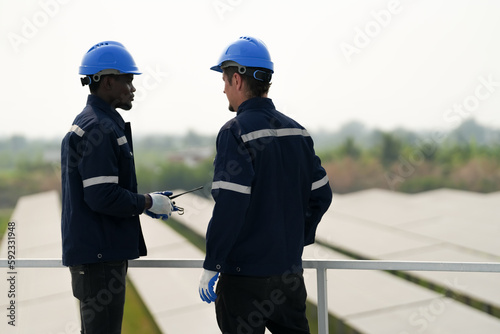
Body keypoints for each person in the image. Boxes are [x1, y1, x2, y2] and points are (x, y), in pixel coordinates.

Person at [198, 36, 333, 334]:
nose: (222, 87)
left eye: (223, 78)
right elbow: (321, 195)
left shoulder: (234, 132)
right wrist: (295, 238)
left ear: (235, 78)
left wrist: (212, 263)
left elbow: (230, 206)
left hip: (244, 280)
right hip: (288, 277)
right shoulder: (297, 131)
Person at [61, 41, 174, 334]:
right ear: (108, 81)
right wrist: (147, 202)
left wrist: (143, 202)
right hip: (99, 260)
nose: (133, 88)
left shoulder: (96, 122)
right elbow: (101, 196)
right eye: (128, 80)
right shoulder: (99, 127)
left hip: (97, 256)